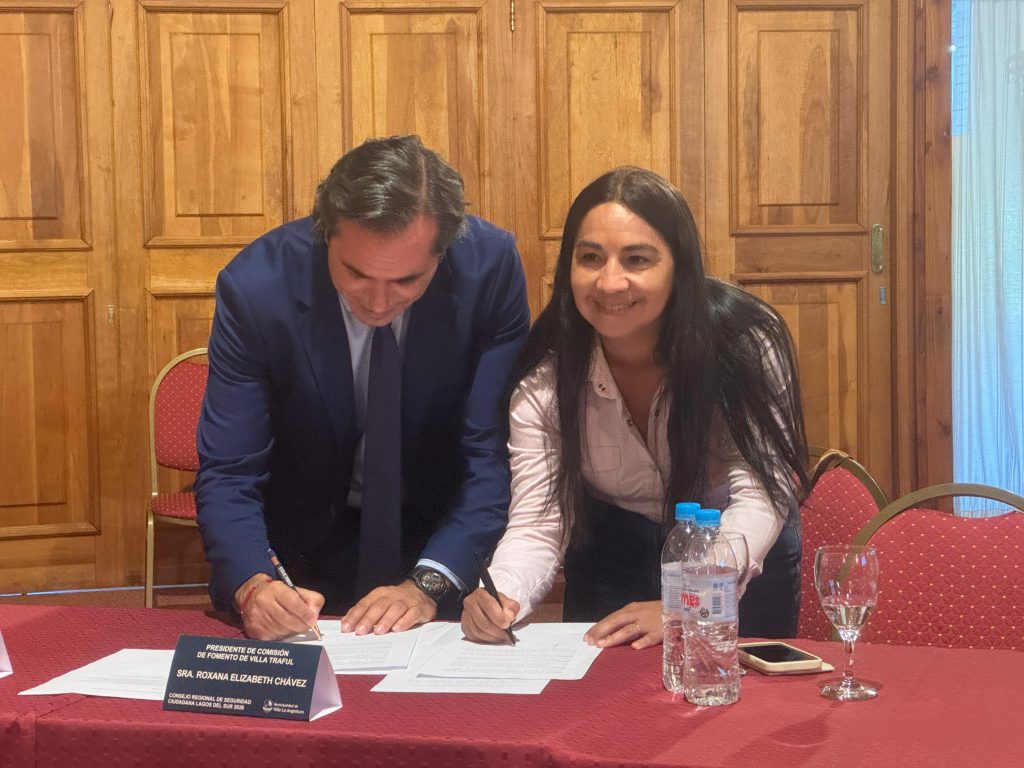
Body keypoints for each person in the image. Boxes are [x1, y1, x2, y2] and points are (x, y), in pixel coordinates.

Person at [196, 135, 530, 641]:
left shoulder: (489, 270)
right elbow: (229, 468)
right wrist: (254, 583)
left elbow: (489, 456)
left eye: (406, 281)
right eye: (355, 273)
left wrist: (429, 582)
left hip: (440, 539)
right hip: (296, 550)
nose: (377, 303)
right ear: (325, 234)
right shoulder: (257, 288)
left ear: (444, 253)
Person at [461, 167, 809, 647]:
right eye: (590, 258)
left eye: (637, 259)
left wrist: (687, 601)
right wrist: (502, 594)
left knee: (728, 688)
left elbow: (759, 494)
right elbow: (539, 521)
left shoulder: (746, 341)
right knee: (604, 691)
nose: (609, 282)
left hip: (734, 550)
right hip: (612, 553)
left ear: (679, 268)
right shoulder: (547, 371)